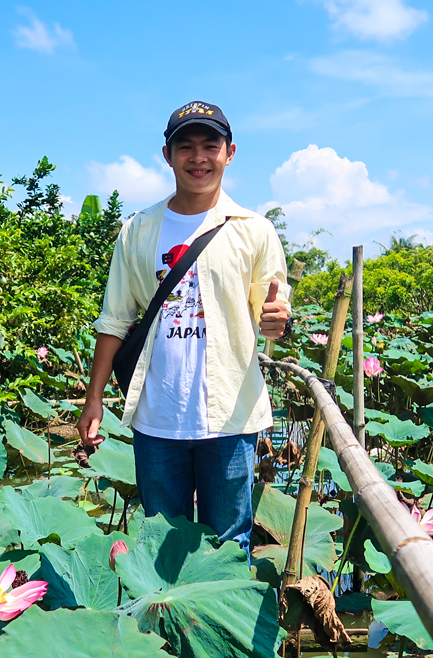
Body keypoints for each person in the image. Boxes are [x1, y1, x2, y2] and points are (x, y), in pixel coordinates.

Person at [76, 100, 291, 554]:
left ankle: (220, 625)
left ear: (229, 153)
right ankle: (162, 628)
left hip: (230, 417)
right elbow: (115, 318)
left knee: (229, 544)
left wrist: (275, 322)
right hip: (157, 417)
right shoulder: (137, 229)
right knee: (160, 545)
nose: (198, 157)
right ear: (167, 154)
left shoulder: (254, 230)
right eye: (186, 146)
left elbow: (269, 315)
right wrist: (94, 397)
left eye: (210, 145)